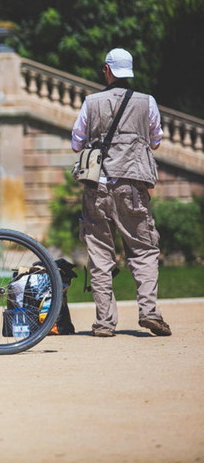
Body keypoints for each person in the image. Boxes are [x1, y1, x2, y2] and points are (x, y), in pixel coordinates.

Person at [71, 47, 170, 337]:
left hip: (97, 186)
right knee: (143, 250)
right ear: (130, 71)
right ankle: (149, 312)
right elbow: (156, 141)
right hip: (134, 186)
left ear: (107, 70)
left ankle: (104, 323)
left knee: (100, 255)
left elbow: (77, 143)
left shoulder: (91, 102)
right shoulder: (147, 102)